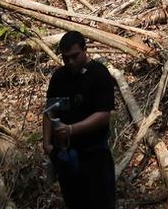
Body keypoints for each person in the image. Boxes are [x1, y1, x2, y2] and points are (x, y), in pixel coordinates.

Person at [42, 31, 116, 209]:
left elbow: (103, 115)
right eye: (66, 58)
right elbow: (50, 110)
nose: (70, 62)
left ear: (85, 50)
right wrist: (46, 143)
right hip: (66, 156)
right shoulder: (60, 77)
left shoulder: (98, 74)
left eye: (75, 56)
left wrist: (71, 129)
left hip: (94, 155)